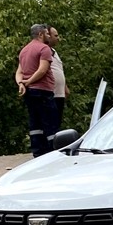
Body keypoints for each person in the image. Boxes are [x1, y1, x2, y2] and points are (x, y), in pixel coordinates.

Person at [15, 23, 58, 157]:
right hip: (43, 91)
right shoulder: (44, 48)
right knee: (50, 122)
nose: (48, 36)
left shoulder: (24, 50)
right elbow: (42, 69)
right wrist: (29, 81)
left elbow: (19, 72)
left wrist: (21, 84)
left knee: (35, 122)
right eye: (46, 33)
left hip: (30, 92)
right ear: (40, 34)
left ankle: (37, 152)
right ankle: (53, 152)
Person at [46, 26, 69, 128]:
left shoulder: (54, 52)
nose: (58, 38)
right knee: (50, 123)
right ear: (48, 36)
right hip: (51, 93)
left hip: (60, 94)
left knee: (57, 123)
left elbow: (58, 70)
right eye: (55, 35)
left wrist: (64, 87)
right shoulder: (43, 52)